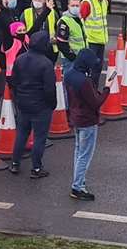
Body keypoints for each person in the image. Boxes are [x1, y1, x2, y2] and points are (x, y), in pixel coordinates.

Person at [9, 31, 58, 177]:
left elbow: (14, 82)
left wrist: (18, 98)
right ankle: (36, 167)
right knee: (39, 137)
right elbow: (50, 89)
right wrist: (52, 104)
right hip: (40, 105)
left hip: (23, 103)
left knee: (21, 134)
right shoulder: (46, 64)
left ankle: (15, 163)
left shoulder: (20, 59)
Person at [66, 47, 108, 201]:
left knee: (78, 152)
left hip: (76, 118)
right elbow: (96, 102)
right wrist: (106, 90)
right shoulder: (84, 81)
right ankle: (77, 187)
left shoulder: (70, 74)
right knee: (85, 155)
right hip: (87, 120)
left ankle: (79, 182)